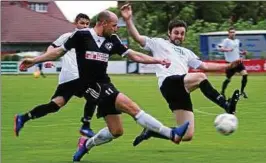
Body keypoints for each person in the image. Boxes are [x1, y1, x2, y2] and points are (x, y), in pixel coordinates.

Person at [18, 10, 190, 162]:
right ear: (103, 23)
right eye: (114, 25)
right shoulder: (81, 36)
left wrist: (157, 60)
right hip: (90, 87)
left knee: (116, 131)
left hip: (105, 83)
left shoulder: (112, 40)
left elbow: (133, 55)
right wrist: (34, 60)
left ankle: (86, 144)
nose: (116, 28)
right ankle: (171, 134)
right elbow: (57, 52)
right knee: (131, 107)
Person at [120, 4, 241, 146]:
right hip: (169, 83)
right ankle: (225, 105)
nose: (179, 36)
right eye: (176, 32)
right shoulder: (159, 43)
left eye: (182, 33)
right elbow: (137, 38)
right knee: (200, 77)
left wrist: (227, 66)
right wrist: (128, 20)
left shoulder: (187, 52)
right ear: (169, 33)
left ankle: (152, 131)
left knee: (186, 135)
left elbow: (205, 66)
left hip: (182, 89)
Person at [14, 13, 95, 138]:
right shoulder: (68, 36)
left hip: (69, 79)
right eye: (81, 23)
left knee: (54, 106)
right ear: (75, 23)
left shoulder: (90, 39)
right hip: (75, 76)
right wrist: (47, 59)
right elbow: (52, 47)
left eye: (86, 24)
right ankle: (85, 125)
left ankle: (23, 118)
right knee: (96, 93)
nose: (84, 26)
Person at [218, 27, 248, 99]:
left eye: (233, 32)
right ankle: (222, 92)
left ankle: (242, 91)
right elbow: (221, 49)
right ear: (228, 33)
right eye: (231, 32)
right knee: (228, 79)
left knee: (245, 75)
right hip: (230, 63)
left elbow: (236, 50)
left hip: (238, 62)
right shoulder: (226, 41)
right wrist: (227, 50)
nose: (232, 33)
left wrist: (242, 53)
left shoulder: (237, 41)